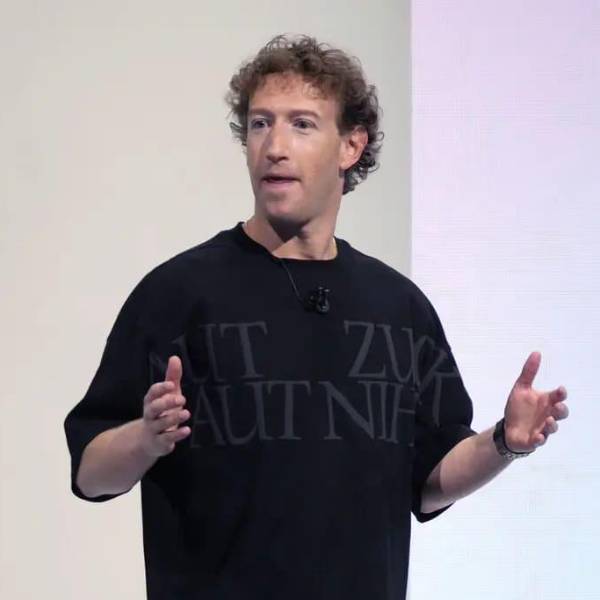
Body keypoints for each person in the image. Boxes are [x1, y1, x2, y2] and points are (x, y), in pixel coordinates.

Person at [63, 33, 569, 600]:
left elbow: (428, 480)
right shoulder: (177, 293)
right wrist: (146, 439)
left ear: (350, 146)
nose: (274, 146)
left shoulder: (399, 307)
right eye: (260, 124)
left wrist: (506, 442)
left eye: (301, 124)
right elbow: (90, 472)